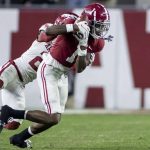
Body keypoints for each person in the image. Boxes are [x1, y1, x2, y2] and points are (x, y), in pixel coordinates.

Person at [0, 3, 110, 148]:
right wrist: (73, 28)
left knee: (27, 122)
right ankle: (7, 115)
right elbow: (48, 31)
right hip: (25, 69)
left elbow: (80, 67)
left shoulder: (92, 41)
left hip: (56, 75)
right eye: (98, 25)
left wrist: (83, 47)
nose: (101, 30)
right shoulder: (63, 26)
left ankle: (19, 137)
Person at [0, 12, 86, 131]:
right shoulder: (50, 29)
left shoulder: (68, 45)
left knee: (12, 124)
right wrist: (68, 29)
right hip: (13, 69)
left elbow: (76, 67)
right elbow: (44, 35)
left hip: (20, 85)